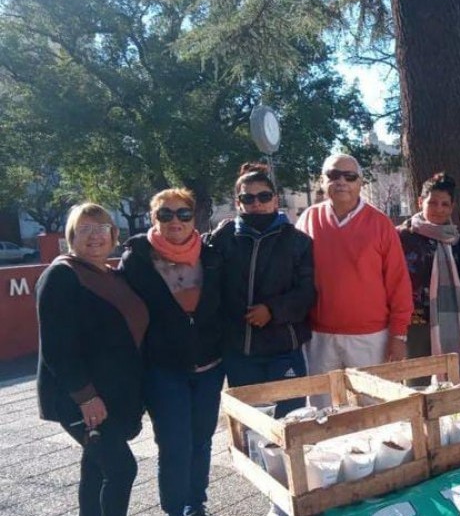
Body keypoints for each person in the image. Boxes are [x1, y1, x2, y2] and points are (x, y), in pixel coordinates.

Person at [37, 203, 149, 516]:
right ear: (71, 237)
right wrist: (86, 397)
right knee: (122, 469)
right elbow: (57, 349)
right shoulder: (62, 275)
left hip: (115, 395)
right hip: (82, 399)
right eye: (84, 229)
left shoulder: (113, 275)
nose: (95, 236)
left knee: (96, 470)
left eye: (101, 228)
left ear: (114, 234)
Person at [119, 188, 224, 516]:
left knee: (202, 439)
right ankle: (175, 509)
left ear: (194, 218)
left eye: (183, 214)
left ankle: (196, 503)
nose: (175, 220)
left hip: (210, 366)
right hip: (164, 370)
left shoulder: (211, 254)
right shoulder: (136, 259)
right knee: (174, 444)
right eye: (165, 214)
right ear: (153, 218)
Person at [208, 163, 316, 418]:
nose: (256, 203)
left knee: (292, 422)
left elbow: (307, 292)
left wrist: (272, 310)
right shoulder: (222, 239)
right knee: (250, 426)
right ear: (238, 202)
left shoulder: (298, 241)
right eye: (248, 197)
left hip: (284, 349)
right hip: (240, 352)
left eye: (264, 196)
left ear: (275, 199)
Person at [296, 153, 412, 387]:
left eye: (349, 177)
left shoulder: (380, 224)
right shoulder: (308, 218)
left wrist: (398, 335)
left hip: (370, 337)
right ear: (322, 181)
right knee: (323, 413)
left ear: (360, 183)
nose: (341, 182)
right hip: (319, 336)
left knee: (374, 410)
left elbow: (398, 282)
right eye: (333, 175)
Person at [397, 172, 460, 379]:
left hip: (451, 321)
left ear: (452, 207)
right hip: (414, 323)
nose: (438, 209)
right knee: (418, 383)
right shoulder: (401, 237)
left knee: (451, 380)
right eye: (432, 203)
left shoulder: (457, 240)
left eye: (445, 204)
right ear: (420, 201)